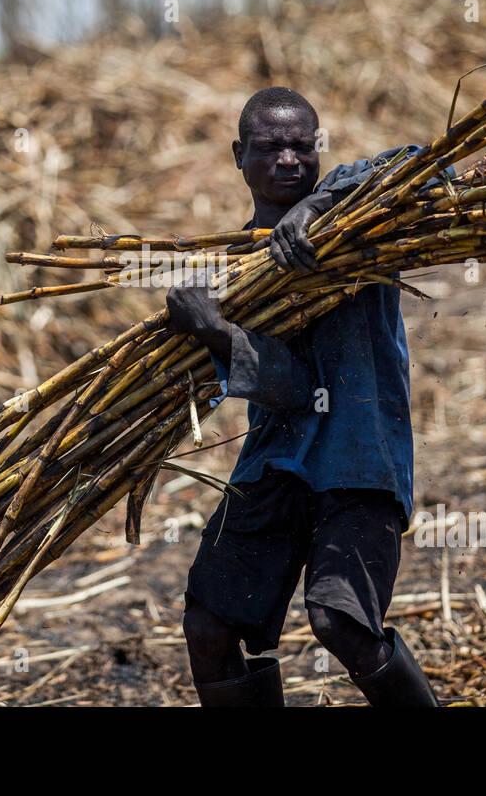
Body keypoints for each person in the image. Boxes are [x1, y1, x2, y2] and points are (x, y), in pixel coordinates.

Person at [165, 86, 443, 707]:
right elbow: (292, 388)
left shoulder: (362, 215)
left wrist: (319, 204)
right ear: (239, 156)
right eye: (270, 147)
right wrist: (212, 329)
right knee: (208, 629)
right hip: (275, 465)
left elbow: (430, 165)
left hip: (360, 459)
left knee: (340, 622)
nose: (289, 159)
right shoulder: (235, 270)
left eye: (302, 146)